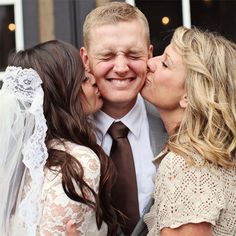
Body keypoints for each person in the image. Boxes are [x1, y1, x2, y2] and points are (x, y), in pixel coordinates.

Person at [0, 40, 117, 236]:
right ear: (63, 94)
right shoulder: (77, 163)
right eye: (83, 79)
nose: (94, 79)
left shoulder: (24, 160)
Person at [80, 2, 167, 235]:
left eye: (133, 54)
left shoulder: (175, 125)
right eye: (107, 55)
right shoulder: (62, 135)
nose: (121, 67)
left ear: (149, 55)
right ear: (86, 59)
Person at [141, 26, 236, 235]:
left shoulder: (185, 165)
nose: (150, 62)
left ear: (189, 96)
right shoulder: (210, 157)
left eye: (165, 64)